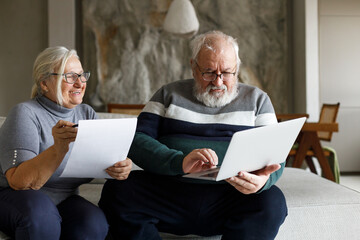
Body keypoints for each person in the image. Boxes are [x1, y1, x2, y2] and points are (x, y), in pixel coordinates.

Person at [99, 31, 287, 240]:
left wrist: (263, 181)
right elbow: (137, 139)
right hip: (170, 190)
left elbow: (276, 154)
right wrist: (179, 162)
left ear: (237, 69)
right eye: (209, 72)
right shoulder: (168, 94)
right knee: (117, 191)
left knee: (272, 202)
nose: (218, 81)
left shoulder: (258, 100)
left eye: (227, 72)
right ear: (193, 67)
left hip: (231, 194)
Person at [0, 46, 132, 240]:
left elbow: (102, 161)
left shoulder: (86, 114)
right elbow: (18, 182)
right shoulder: (25, 113)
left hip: (65, 197)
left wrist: (120, 165)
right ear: (44, 83)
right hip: (14, 196)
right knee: (42, 218)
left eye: (82, 75)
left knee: (93, 224)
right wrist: (58, 148)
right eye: (70, 76)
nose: (80, 83)